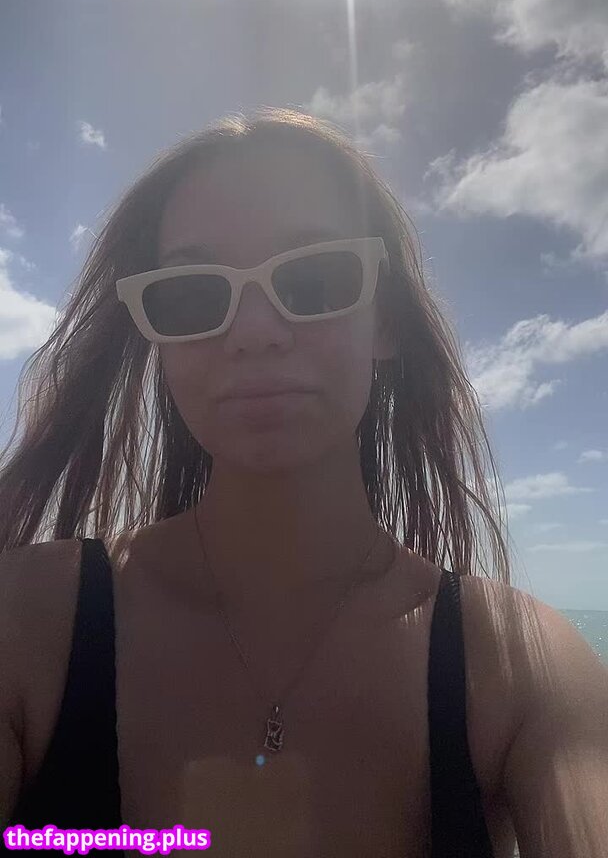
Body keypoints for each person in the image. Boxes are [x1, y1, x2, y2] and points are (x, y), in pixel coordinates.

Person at [0, 108, 606, 858]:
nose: (255, 332)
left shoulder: (520, 666)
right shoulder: (25, 622)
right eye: (192, 295)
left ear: (385, 322)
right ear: (156, 336)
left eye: (315, 279)